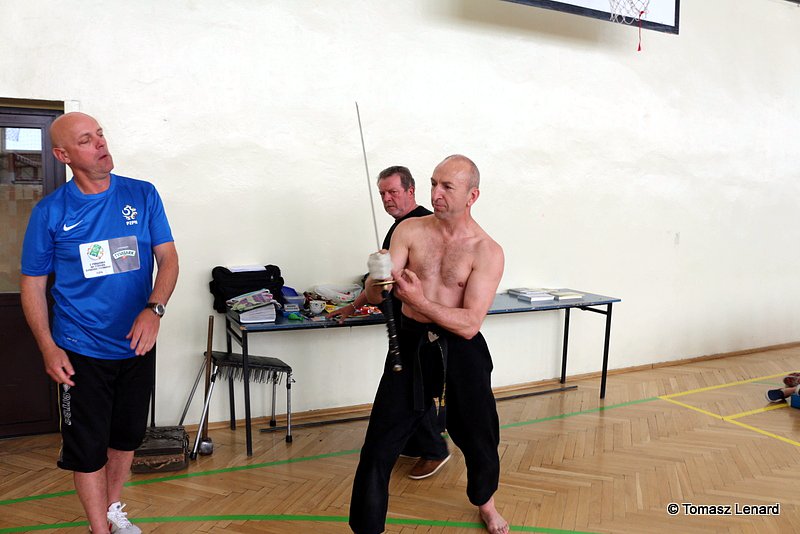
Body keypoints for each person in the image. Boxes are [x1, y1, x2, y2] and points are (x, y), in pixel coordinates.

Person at [19, 112, 179, 534]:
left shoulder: (142, 194)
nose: (101, 144)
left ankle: (111, 511)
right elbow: (32, 285)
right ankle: (98, 529)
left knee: (126, 438)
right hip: (80, 349)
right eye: (86, 140)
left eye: (101, 134)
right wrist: (48, 347)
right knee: (88, 449)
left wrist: (154, 309)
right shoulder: (50, 212)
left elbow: (168, 258)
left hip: (136, 343)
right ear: (63, 155)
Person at [349, 155, 508, 534]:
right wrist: (376, 279)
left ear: (472, 196)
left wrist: (419, 300)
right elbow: (379, 294)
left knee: (480, 437)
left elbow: (469, 324)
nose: (436, 193)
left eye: (447, 187)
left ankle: (485, 503)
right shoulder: (409, 231)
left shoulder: (487, 251)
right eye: (434, 183)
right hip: (410, 343)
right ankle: (367, 529)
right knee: (379, 443)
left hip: (461, 348)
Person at [328, 165, 450, 480]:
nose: (387, 199)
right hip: (402, 329)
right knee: (408, 389)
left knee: (412, 390)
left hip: (421, 330)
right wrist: (352, 306)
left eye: (393, 192)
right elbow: (383, 281)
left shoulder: (425, 225)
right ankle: (417, 443)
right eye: (382, 193)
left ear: (411, 190)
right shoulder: (399, 228)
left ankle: (435, 450)